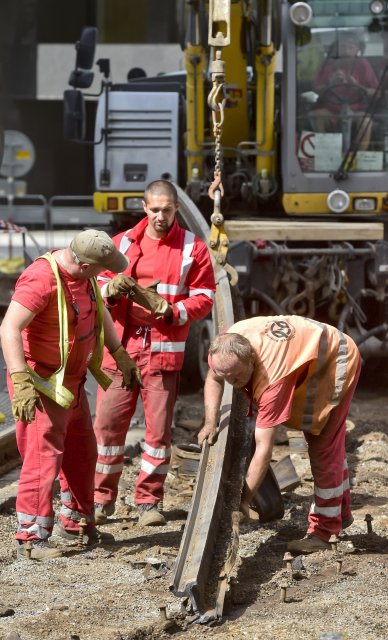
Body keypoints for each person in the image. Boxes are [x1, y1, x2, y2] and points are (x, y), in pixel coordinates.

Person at [0, 229, 142, 560]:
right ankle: (32, 536)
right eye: (101, 268)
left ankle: (78, 521)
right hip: (42, 383)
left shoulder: (86, 277)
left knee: (82, 451)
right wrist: (20, 380)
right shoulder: (41, 279)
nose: (106, 274)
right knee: (42, 455)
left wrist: (118, 352)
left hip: (72, 383)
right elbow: (9, 327)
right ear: (83, 263)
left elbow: (98, 312)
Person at [93, 179, 216, 526]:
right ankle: (102, 500)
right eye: (154, 209)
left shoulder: (194, 249)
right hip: (121, 350)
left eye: (167, 209)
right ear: (144, 208)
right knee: (106, 427)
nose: (160, 216)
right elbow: (96, 282)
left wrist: (174, 311)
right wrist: (110, 289)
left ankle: (148, 502)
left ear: (176, 208)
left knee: (158, 432)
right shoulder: (123, 243)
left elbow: (205, 297)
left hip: (162, 352)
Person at [197, 315, 361, 554]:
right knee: (327, 445)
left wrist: (243, 498)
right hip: (308, 350)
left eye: (237, 377)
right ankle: (341, 513)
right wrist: (210, 423)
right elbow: (214, 378)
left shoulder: (272, 378)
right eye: (227, 376)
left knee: (322, 445)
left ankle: (325, 533)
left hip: (336, 358)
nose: (231, 383)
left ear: (252, 359)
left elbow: (263, 449)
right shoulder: (225, 350)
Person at [310, 31, 379, 150]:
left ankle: (357, 158)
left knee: (366, 122)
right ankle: (327, 154)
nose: (346, 51)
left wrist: (358, 87)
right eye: (342, 46)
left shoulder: (363, 64)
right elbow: (316, 90)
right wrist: (330, 83)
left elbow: (376, 92)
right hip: (330, 110)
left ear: (357, 49)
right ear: (337, 48)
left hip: (356, 110)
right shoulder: (327, 64)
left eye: (350, 47)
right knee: (317, 116)